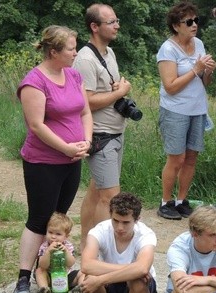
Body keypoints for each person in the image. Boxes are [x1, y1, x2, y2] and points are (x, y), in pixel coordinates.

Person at [13, 25, 93, 293]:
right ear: (54, 51)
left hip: (72, 160)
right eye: (71, 48)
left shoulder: (73, 75)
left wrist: (86, 141)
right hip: (43, 161)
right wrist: (66, 147)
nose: (75, 52)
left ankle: (46, 269)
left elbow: (84, 111)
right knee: (39, 219)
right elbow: (36, 125)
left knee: (58, 216)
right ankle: (23, 277)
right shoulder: (34, 81)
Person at [74, 4, 131, 251]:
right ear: (94, 27)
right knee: (110, 198)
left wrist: (119, 90)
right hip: (100, 135)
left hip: (115, 132)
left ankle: (86, 243)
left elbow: (108, 89)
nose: (117, 25)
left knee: (96, 192)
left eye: (116, 20)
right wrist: (120, 92)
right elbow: (84, 101)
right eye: (111, 22)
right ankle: (100, 252)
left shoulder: (109, 53)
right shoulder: (85, 59)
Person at [156, 1, 216, 220]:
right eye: (188, 22)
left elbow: (204, 81)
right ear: (176, 26)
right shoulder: (168, 49)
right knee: (176, 158)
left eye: (196, 20)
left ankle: (182, 200)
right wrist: (196, 69)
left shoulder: (198, 44)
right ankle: (165, 202)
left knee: (191, 157)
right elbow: (170, 87)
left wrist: (208, 71)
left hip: (197, 108)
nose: (194, 25)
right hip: (175, 110)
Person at [79, 192, 157, 293]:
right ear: (110, 215)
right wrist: (129, 270)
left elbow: (142, 269)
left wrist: (101, 279)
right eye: (115, 221)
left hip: (138, 291)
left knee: (138, 281)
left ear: (137, 220)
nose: (120, 227)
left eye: (126, 222)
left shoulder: (146, 234)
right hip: (110, 288)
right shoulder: (99, 231)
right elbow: (86, 265)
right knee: (90, 278)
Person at [34, 212, 81, 293]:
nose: (53, 237)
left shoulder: (68, 246)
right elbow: (42, 265)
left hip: (65, 277)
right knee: (39, 271)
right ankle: (44, 290)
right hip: (49, 278)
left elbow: (71, 263)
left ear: (66, 236)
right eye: (50, 232)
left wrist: (66, 252)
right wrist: (48, 252)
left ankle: (81, 288)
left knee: (82, 273)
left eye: (58, 234)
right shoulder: (44, 246)